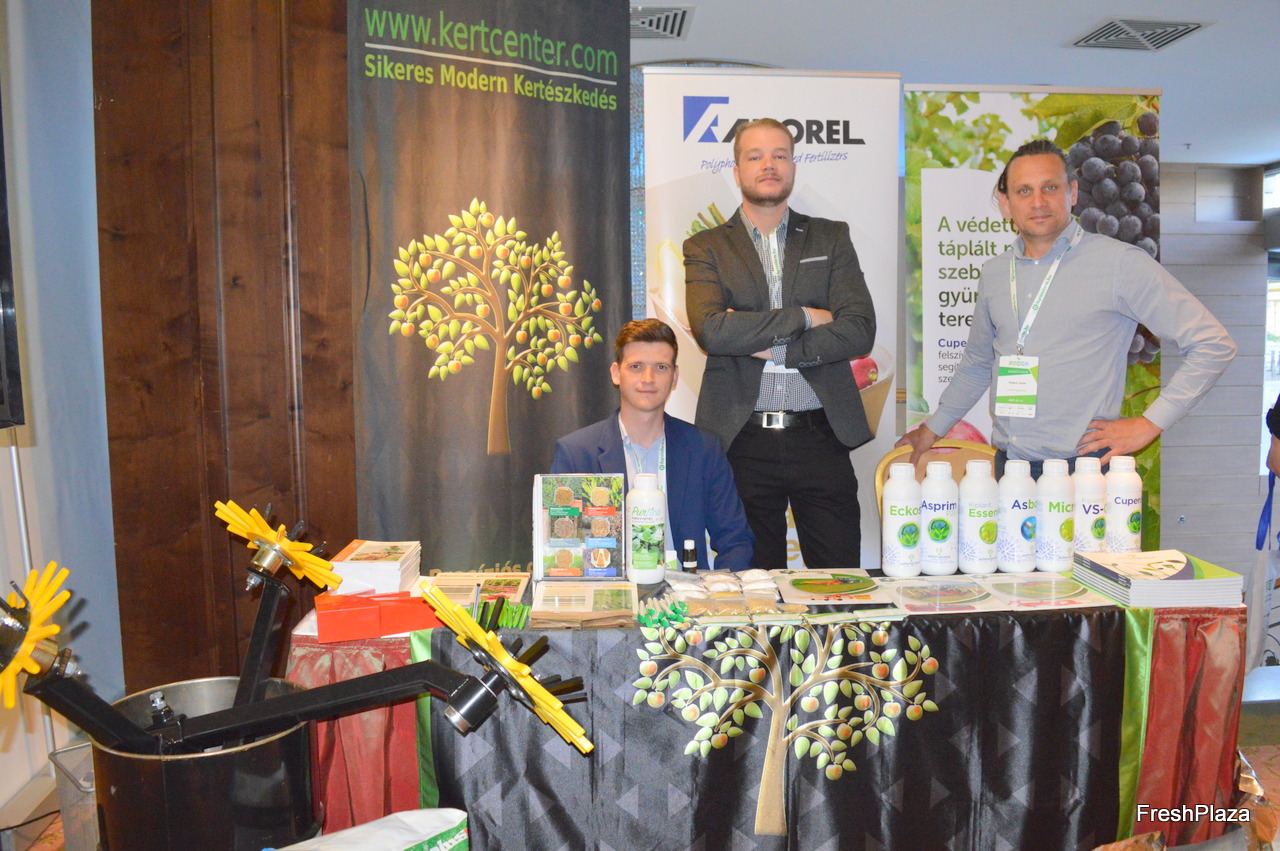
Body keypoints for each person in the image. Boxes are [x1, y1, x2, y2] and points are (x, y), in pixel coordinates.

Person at [898, 139, 1236, 476]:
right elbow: (977, 363)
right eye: (1024, 191)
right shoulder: (995, 273)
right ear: (1005, 203)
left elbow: (1213, 343)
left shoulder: (1119, 263)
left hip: (1085, 471)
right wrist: (932, 430)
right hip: (1010, 468)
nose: (1038, 202)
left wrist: (1149, 424)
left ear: (1072, 193)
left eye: (1050, 187)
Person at [684, 118, 877, 570]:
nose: (768, 165)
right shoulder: (706, 246)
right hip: (742, 439)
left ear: (793, 166)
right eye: (755, 156)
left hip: (821, 434)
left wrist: (778, 349)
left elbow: (859, 330)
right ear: (737, 171)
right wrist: (806, 316)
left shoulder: (831, 236)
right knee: (756, 587)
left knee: (839, 583)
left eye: (779, 155)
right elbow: (711, 331)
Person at [551, 318, 753, 571]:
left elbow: (736, 540)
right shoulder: (577, 453)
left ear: (675, 376)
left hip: (686, 590)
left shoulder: (703, 448)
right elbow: (564, 547)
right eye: (636, 366)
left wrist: (720, 589)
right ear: (616, 373)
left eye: (660, 367)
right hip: (610, 590)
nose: (648, 378)